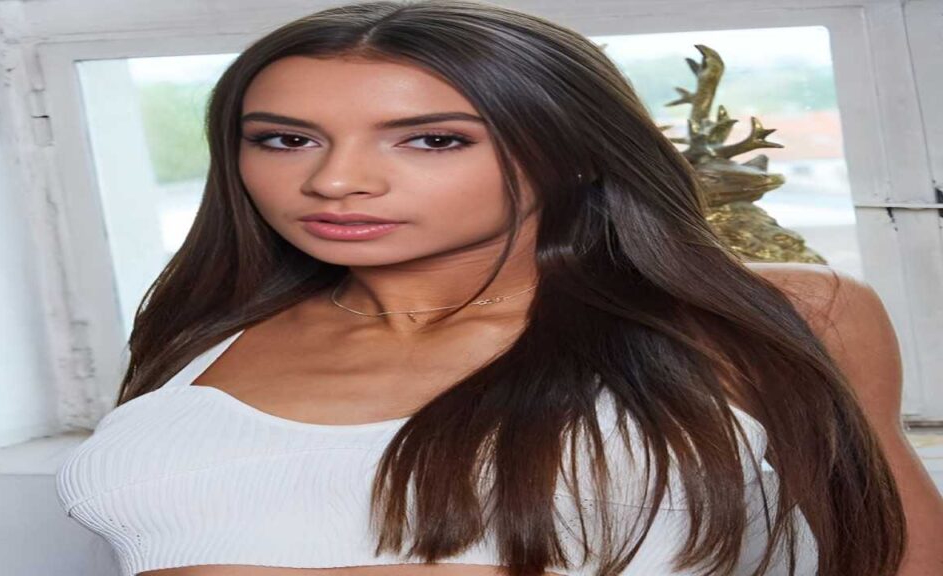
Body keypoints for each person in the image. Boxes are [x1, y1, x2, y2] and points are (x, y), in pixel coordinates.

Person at [55, 1, 943, 575]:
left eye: (432, 139)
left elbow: (897, 556)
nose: (334, 181)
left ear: (576, 150)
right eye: (285, 139)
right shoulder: (203, 329)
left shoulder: (776, 315)